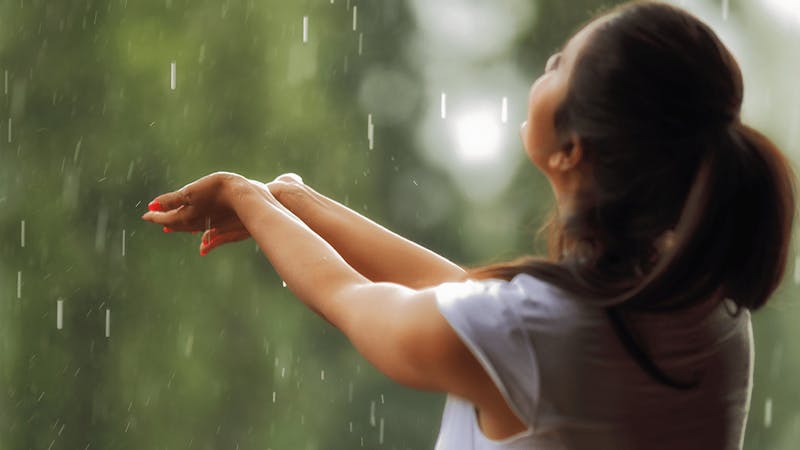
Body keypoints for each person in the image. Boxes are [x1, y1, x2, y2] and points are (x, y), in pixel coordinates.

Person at [141, 1, 796, 448]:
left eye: (560, 66)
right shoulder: (707, 310)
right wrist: (294, 204)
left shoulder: (536, 331)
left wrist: (242, 194)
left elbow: (360, 302)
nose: (547, 67)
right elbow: (472, 303)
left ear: (572, 150)